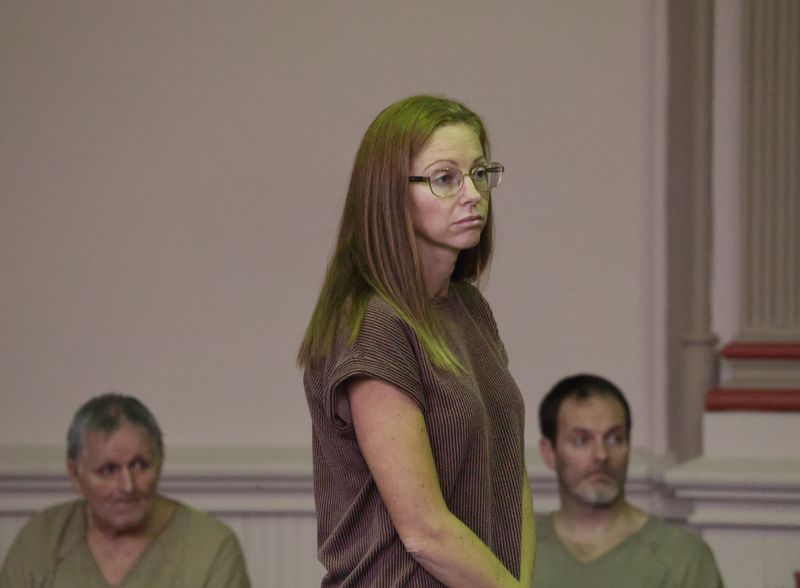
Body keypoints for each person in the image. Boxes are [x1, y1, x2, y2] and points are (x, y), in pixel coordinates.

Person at [298, 95, 535, 587]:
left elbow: (512, 480)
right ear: (390, 196)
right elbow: (424, 531)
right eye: (445, 178)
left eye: (479, 173)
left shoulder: (470, 310)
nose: (472, 194)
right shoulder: (375, 323)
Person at [0, 393, 251, 588]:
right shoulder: (42, 539)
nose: (127, 486)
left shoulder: (210, 546)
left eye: (141, 465)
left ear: (161, 460)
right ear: (74, 473)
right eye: (108, 470)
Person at [533, 373, 724, 587]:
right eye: (581, 440)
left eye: (615, 439)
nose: (601, 454)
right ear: (549, 452)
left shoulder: (682, 557)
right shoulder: (518, 555)